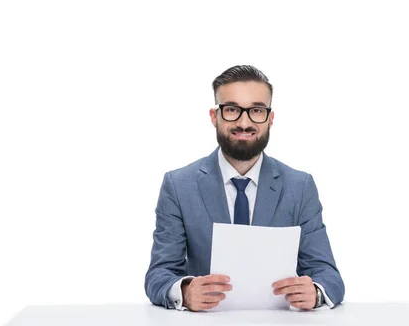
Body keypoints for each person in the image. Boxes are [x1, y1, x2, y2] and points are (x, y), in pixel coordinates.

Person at [144, 65, 345, 311]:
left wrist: (315, 292)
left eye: (257, 110)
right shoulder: (178, 185)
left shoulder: (299, 187)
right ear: (214, 116)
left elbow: (328, 274)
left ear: (270, 118)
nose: (244, 122)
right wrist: (184, 292)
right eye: (231, 110)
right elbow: (159, 274)